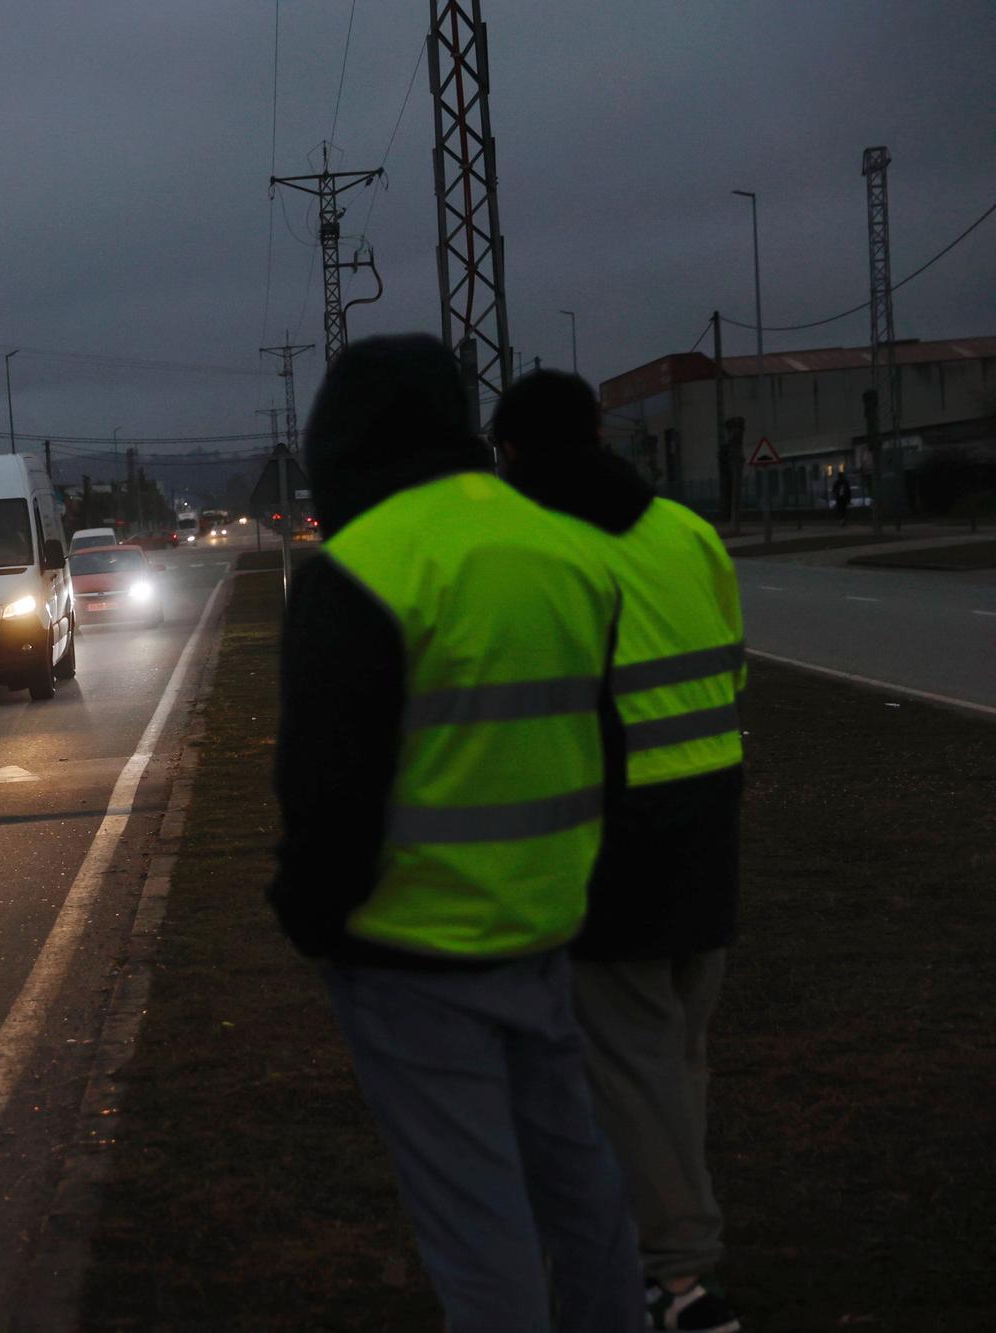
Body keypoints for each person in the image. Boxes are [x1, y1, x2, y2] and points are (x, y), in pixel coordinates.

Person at [269, 334, 643, 1331]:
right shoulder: (559, 548)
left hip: (409, 952)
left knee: (476, 1229)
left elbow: (326, 792)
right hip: (542, 929)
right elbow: (600, 745)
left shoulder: (355, 572)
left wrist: (309, 917)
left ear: (339, 440)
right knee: (578, 1190)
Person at [494, 371, 747, 1333]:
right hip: (710, 814)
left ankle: (681, 1281)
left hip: (616, 827)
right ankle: (661, 1248)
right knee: (679, 1050)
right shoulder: (685, 530)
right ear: (600, 433)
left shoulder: (537, 546)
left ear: (510, 454)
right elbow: (732, 663)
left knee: (632, 1061)